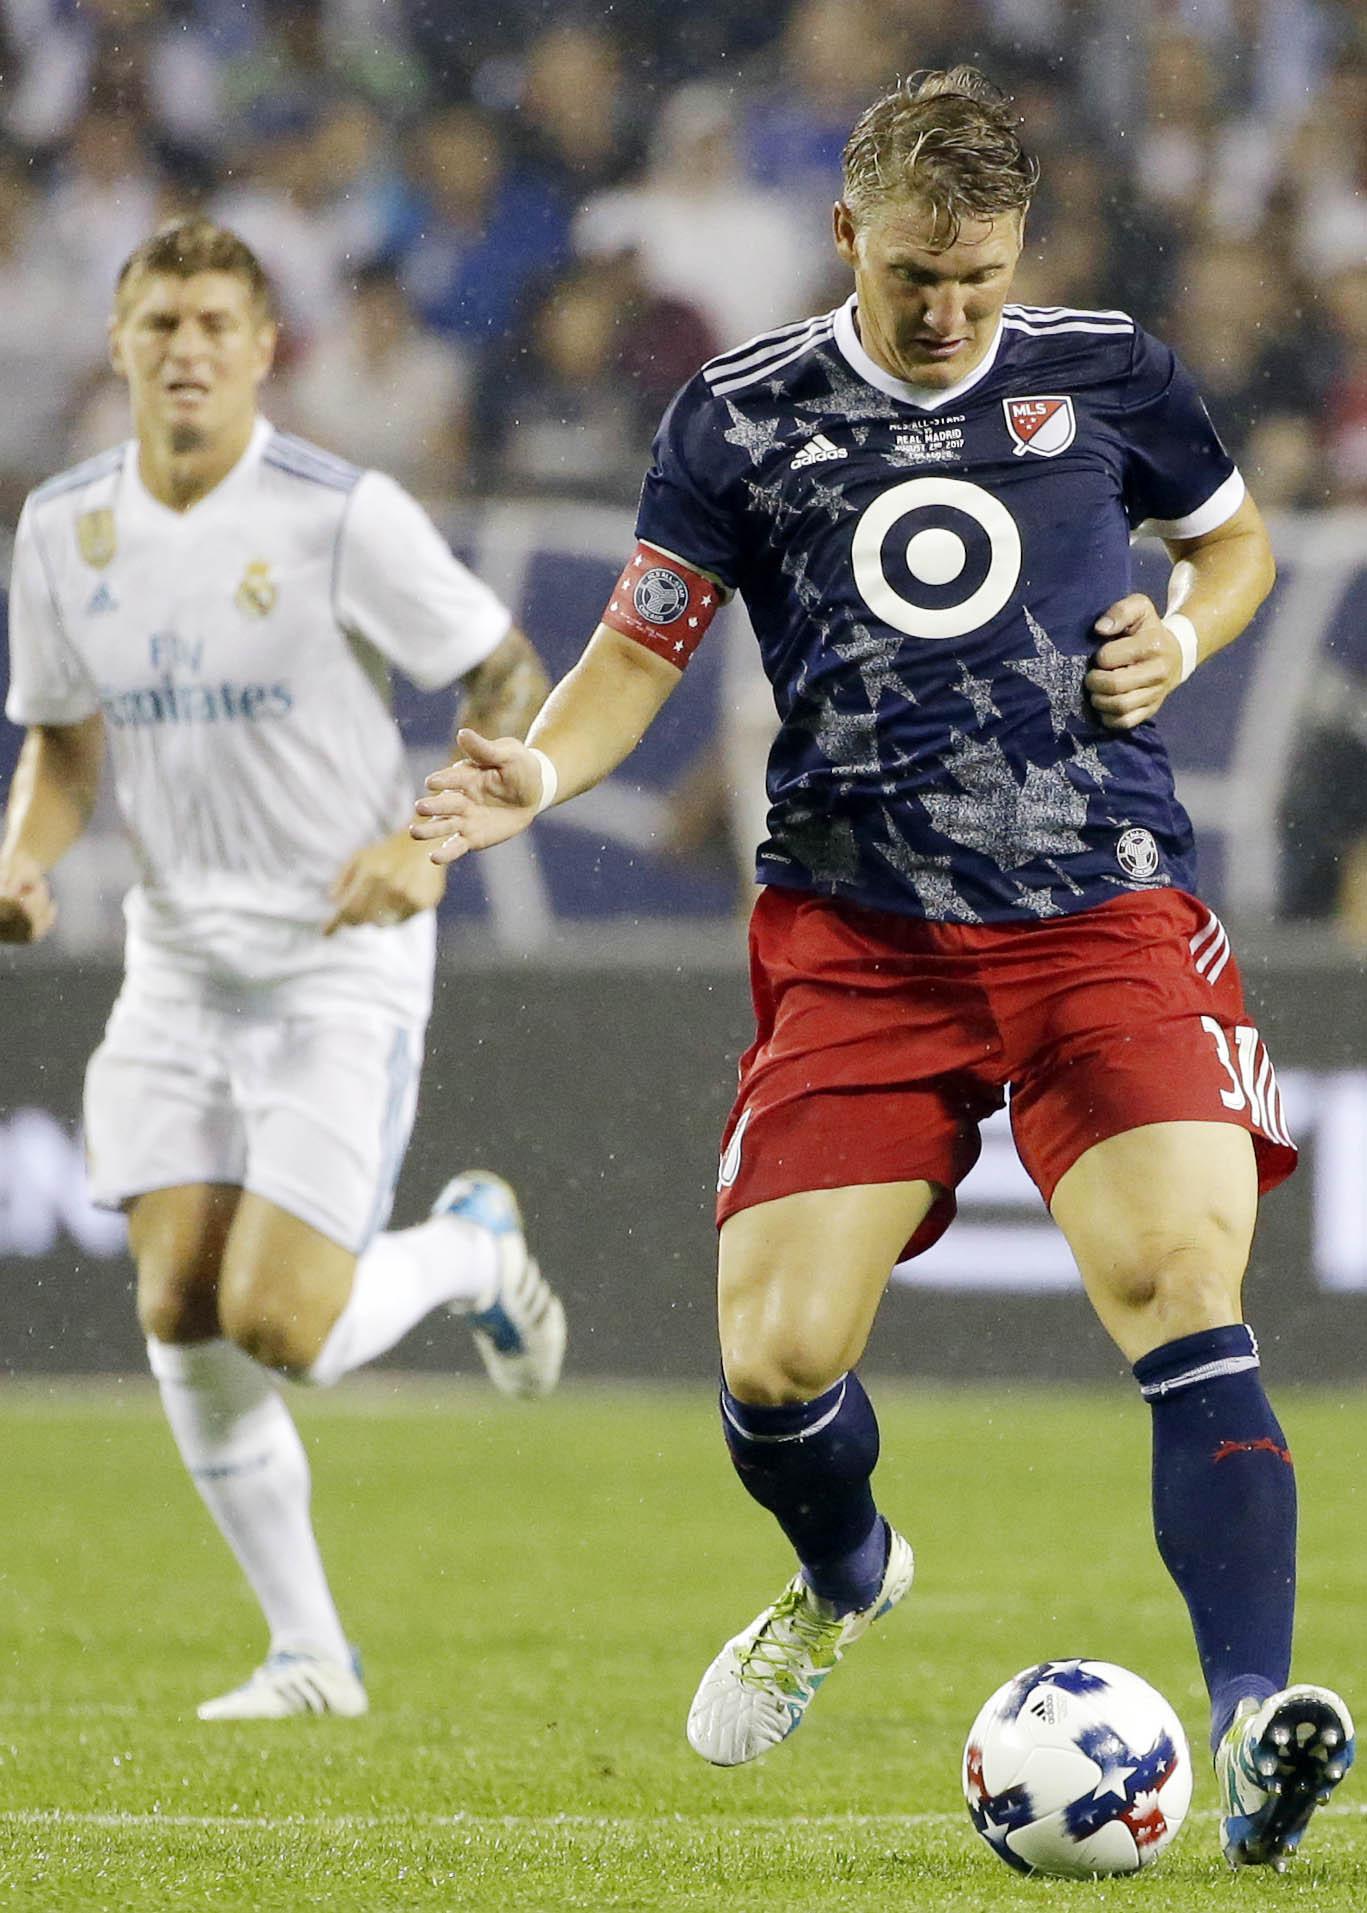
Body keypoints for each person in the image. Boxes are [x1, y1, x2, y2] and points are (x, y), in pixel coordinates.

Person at [411, 70, 1353, 1870]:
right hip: (862, 937)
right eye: (920, 274)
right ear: (850, 236)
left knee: (1178, 1274)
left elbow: (1226, 544)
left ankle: (1251, 1726)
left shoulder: (1111, 374)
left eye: (983, 279)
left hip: (1102, 906)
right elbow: (640, 649)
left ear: (1022, 253)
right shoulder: (742, 416)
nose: (950, 314)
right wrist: (533, 767)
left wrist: (1185, 628)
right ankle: (847, 1570)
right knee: (776, 1357)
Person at [0, 216, 566, 1721]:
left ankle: (468, 1249)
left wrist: (426, 840)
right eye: (159, 320)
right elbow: (61, 745)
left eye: (214, 325)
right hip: (178, 960)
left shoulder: (338, 513)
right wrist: (23, 849)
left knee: (284, 1325)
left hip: (342, 955)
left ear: (264, 352)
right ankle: (312, 1653)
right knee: (178, 1303)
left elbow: (504, 671)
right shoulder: (61, 526)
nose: (185, 347)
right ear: (116, 342)